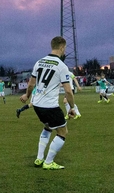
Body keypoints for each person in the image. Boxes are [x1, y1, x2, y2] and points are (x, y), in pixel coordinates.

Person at [21, 36, 77, 170]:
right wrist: (72, 107)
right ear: (62, 47)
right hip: (50, 106)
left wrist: (27, 96)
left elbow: (31, 84)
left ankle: (39, 158)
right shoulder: (62, 66)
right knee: (63, 132)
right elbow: (68, 92)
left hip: (37, 105)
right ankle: (48, 162)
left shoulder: (39, 62)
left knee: (47, 127)